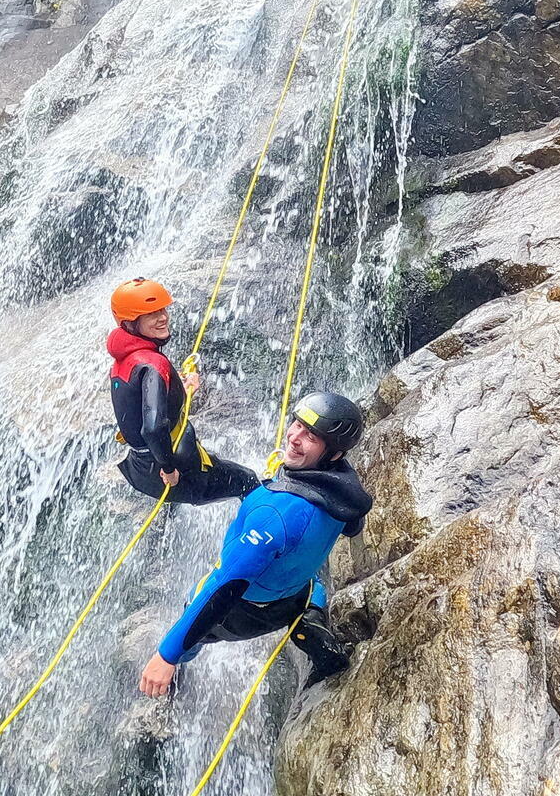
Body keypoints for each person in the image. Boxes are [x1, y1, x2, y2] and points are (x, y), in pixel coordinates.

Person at [138, 390, 372, 695]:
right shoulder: (347, 492)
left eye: (311, 436)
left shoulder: (273, 513)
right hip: (295, 595)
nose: (294, 437)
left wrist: (166, 655)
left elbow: (224, 586)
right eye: (298, 424)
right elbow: (353, 527)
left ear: (334, 453)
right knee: (311, 579)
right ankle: (311, 615)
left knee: (195, 603)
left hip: (242, 614)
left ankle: (173, 674)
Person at [108, 277, 258, 506]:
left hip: (141, 469)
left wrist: (180, 388)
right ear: (130, 323)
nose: (163, 317)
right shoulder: (153, 365)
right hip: (173, 472)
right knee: (247, 480)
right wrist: (169, 470)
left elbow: (137, 402)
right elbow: (153, 428)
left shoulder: (123, 361)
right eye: (151, 314)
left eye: (162, 310)